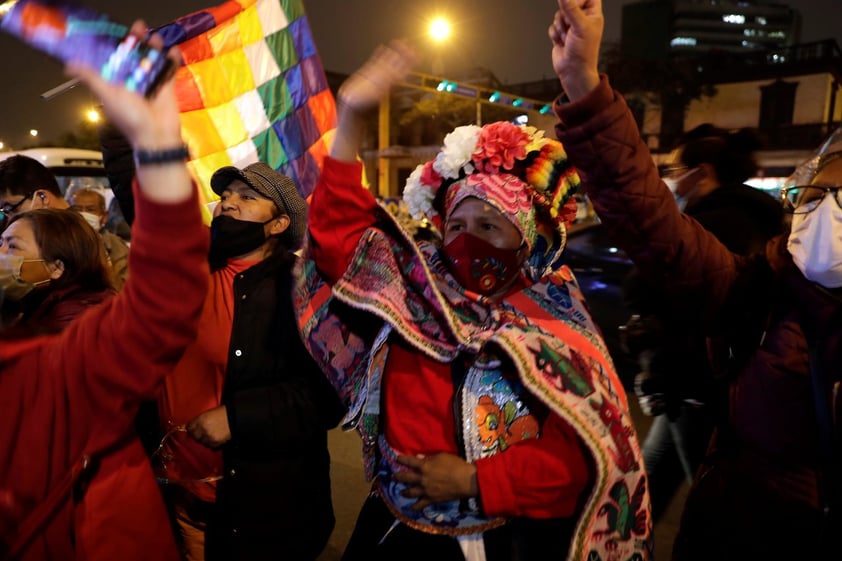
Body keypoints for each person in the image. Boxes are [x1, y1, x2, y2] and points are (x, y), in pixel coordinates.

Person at [294, 42, 651, 561]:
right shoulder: (414, 288)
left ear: (529, 239)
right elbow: (337, 236)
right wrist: (351, 118)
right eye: (456, 225)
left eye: (488, 226)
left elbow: (581, 457)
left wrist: (473, 478)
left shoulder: (552, 321)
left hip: (495, 539)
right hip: (391, 525)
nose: (467, 241)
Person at [548, 0, 841, 559]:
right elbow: (650, 223)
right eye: (816, 196)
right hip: (726, 529)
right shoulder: (758, 287)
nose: (826, 213)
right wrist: (582, 82)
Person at [0, 21, 208, 561]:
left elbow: (158, 306)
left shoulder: (55, 350)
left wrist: (157, 146)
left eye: (9, 237)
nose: (1, 255)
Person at [144, 160, 345, 561]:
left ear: (278, 225)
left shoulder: (304, 288)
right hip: (173, 488)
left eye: (247, 197)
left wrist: (237, 417)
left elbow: (329, 396)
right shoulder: (189, 270)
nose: (227, 204)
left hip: (254, 509)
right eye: (224, 196)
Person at [623, 124, 784, 520]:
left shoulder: (713, 224)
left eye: (678, 169)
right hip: (698, 384)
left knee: (713, 500)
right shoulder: (751, 217)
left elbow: (664, 292)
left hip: (698, 382)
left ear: (702, 172)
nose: (673, 178)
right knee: (650, 481)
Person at [0, 208, 115, 332]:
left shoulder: (75, 321)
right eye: (0, 243)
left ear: (56, 268)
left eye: (13, 246)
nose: (1, 252)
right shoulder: (30, 302)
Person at [68, 187, 131, 290]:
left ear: (104, 216)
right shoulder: (61, 241)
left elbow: (124, 288)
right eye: (77, 209)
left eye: (90, 210)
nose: (83, 214)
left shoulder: (116, 246)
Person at [0, 154, 69, 231]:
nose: (10, 221)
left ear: (42, 197)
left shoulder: (76, 237)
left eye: (11, 208)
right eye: (5, 212)